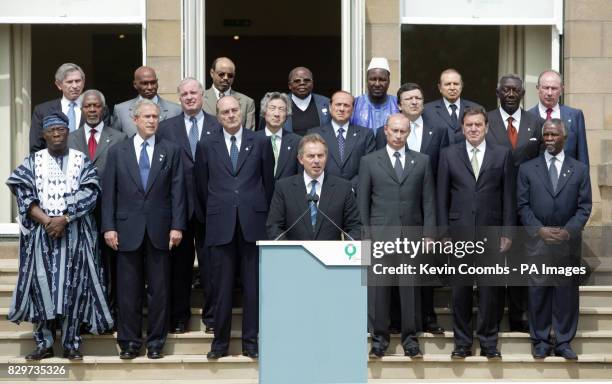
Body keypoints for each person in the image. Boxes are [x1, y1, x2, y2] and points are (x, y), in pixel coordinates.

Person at [7, 113, 113, 361]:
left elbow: (91, 193)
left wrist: (64, 218)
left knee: (73, 289)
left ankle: (71, 344)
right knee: (40, 288)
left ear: (68, 133)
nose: (56, 135)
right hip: (41, 237)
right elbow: (23, 194)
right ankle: (43, 344)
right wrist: (48, 221)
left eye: (61, 130)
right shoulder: (32, 161)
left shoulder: (81, 161)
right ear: (44, 135)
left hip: (74, 236)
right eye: (51, 131)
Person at [101, 99, 186, 360]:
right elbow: (109, 194)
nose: (152, 121)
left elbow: (178, 191)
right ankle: (129, 342)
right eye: (146, 117)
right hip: (126, 230)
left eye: (155, 117)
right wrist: (109, 227)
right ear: (135, 119)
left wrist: (177, 225)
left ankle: (156, 342)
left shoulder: (170, 150)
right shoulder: (118, 151)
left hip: (161, 229)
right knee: (128, 291)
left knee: (159, 290)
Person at [194, 95, 275, 360]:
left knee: (253, 288)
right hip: (220, 225)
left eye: (234, 110)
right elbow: (201, 187)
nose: (230, 115)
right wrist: (218, 212)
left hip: (253, 224)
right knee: (221, 288)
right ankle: (220, 343)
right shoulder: (206, 145)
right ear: (217, 116)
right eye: (225, 112)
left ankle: (251, 343)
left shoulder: (260, 141)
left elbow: (268, 183)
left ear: (241, 113)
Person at [437, 106, 515, 359]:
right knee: (460, 291)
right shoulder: (448, 154)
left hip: (491, 232)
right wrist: (444, 234)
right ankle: (462, 344)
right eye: (469, 125)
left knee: (490, 290)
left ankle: (489, 343)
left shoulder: (502, 154)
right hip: (458, 234)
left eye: (478, 125)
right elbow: (441, 198)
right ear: (462, 127)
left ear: (486, 127)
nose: (473, 129)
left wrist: (508, 232)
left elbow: (508, 197)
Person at [360, 113, 436, 358]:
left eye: (403, 131)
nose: (398, 135)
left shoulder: (422, 161)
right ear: (385, 130)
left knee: (409, 289)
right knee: (379, 290)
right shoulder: (369, 161)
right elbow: (363, 203)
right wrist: (366, 237)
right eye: (394, 130)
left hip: (411, 236)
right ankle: (379, 340)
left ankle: (410, 340)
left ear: (408, 133)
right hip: (380, 235)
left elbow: (429, 201)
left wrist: (428, 234)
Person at [375, 83, 449, 334]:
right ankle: (397, 320)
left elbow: (441, 171)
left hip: (425, 205)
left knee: (424, 267)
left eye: (419, 97)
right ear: (399, 103)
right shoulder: (383, 132)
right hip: (393, 211)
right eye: (409, 98)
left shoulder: (437, 131)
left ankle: (427, 317)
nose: (415, 102)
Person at [517, 119, 591, 360]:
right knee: (538, 291)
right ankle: (539, 340)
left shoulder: (579, 169)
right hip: (538, 241)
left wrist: (568, 231)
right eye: (546, 135)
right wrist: (539, 230)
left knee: (565, 292)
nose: (549, 138)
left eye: (553, 135)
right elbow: (523, 206)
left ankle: (563, 341)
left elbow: (584, 207)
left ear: (564, 138)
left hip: (567, 242)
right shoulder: (528, 169)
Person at [157, 78, 220, 334]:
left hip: (211, 207)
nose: (190, 97)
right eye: (184, 94)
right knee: (179, 267)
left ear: (202, 95)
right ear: (179, 98)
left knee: (212, 265)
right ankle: (180, 317)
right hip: (178, 209)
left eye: (194, 92)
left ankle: (213, 316)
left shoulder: (218, 125)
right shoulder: (166, 128)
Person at [486, 74, 544, 333]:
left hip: (525, 205)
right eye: (506, 89)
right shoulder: (485, 121)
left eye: (516, 90)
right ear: (497, 93)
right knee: (493, 264)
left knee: (521, 262)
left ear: (523, 94)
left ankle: (519, 316)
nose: (511, 93)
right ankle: (493, 317)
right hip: (493, 203)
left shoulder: (537, 123)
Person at [67, 89, 127, 319]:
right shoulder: (70, 138)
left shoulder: (119, 137)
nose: (92, 110)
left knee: (109, 265)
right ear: (81, 110)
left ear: (104, 109)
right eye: (87, 106)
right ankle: (82, 314)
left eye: (96, 106)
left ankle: (108, 313)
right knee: (80, 264)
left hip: (109, 211)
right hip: (78, 214)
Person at [267, 133, 360, 241]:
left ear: (326, 158)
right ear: (300, 159)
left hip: (331, 255)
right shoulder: (284, 187)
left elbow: (355, 227)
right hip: (295, 255)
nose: (316, 161)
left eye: (320, 156)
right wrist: (290, 251)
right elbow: (274, 227)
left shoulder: (343, 187)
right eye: (311, 156)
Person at [30, 63, 110, 153]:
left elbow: (106, 141)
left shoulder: (98, 109)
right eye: (69, 82)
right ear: (58, 85)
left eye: (78, 81)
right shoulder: (43, 111)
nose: (75, 86)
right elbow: (36, 147)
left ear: (83, 82)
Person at [309, 91, 375, 191]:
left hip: (354, 193)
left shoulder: (365, 134)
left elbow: (369, 166)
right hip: (323, 191)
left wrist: (351, 186)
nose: (341, 109)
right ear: (330, 107)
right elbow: (309, 164)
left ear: (352, 109)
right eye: (338, 104)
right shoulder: (314, 134)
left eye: (346, 105)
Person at [528, 70, 589, 165]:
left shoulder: (575, 116)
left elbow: (582, 155)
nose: (549, 93)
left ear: (562, 90)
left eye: (554, 88)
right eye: (545, 88)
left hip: (568, 176)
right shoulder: (528, 117)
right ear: (537, 89)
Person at [112, 66, 182, 137]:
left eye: (153, 82)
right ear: (135, 85)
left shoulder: (176, 110)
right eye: (145, 83)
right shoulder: (121, 111)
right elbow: (116, 140)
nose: (150, 87)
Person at [424, 69, 481, 144]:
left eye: (456, 84)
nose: (452, 88)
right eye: (448, 84)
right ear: (440, 88)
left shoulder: (476, 108)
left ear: (461, 86)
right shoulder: (427, 110)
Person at [255, 92, 301, 180]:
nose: (277, 114)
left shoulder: (297, 141)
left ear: (287, 115)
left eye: (281, 109)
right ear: (264, 113)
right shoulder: (252, 139)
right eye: (272, 108)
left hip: (287, 192)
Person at [203, 57, 256, 130]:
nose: (225, 78)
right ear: (212, 73)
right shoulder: (199, 99)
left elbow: (250, 136)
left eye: (230, 75)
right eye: (221, 74)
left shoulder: (247, 102)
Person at [351, 57, 399, 132]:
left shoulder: (398, 104)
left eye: (382, 79)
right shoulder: (355, 103)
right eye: (373, 79)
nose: (377, 84)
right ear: (367, 81)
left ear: (389, 81)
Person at [282, 66, 331, 135]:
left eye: (307, 80)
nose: (302, 83)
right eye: (297, 81)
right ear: (289, 85)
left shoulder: (326, 102)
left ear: (312, 83)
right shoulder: (280, 103)